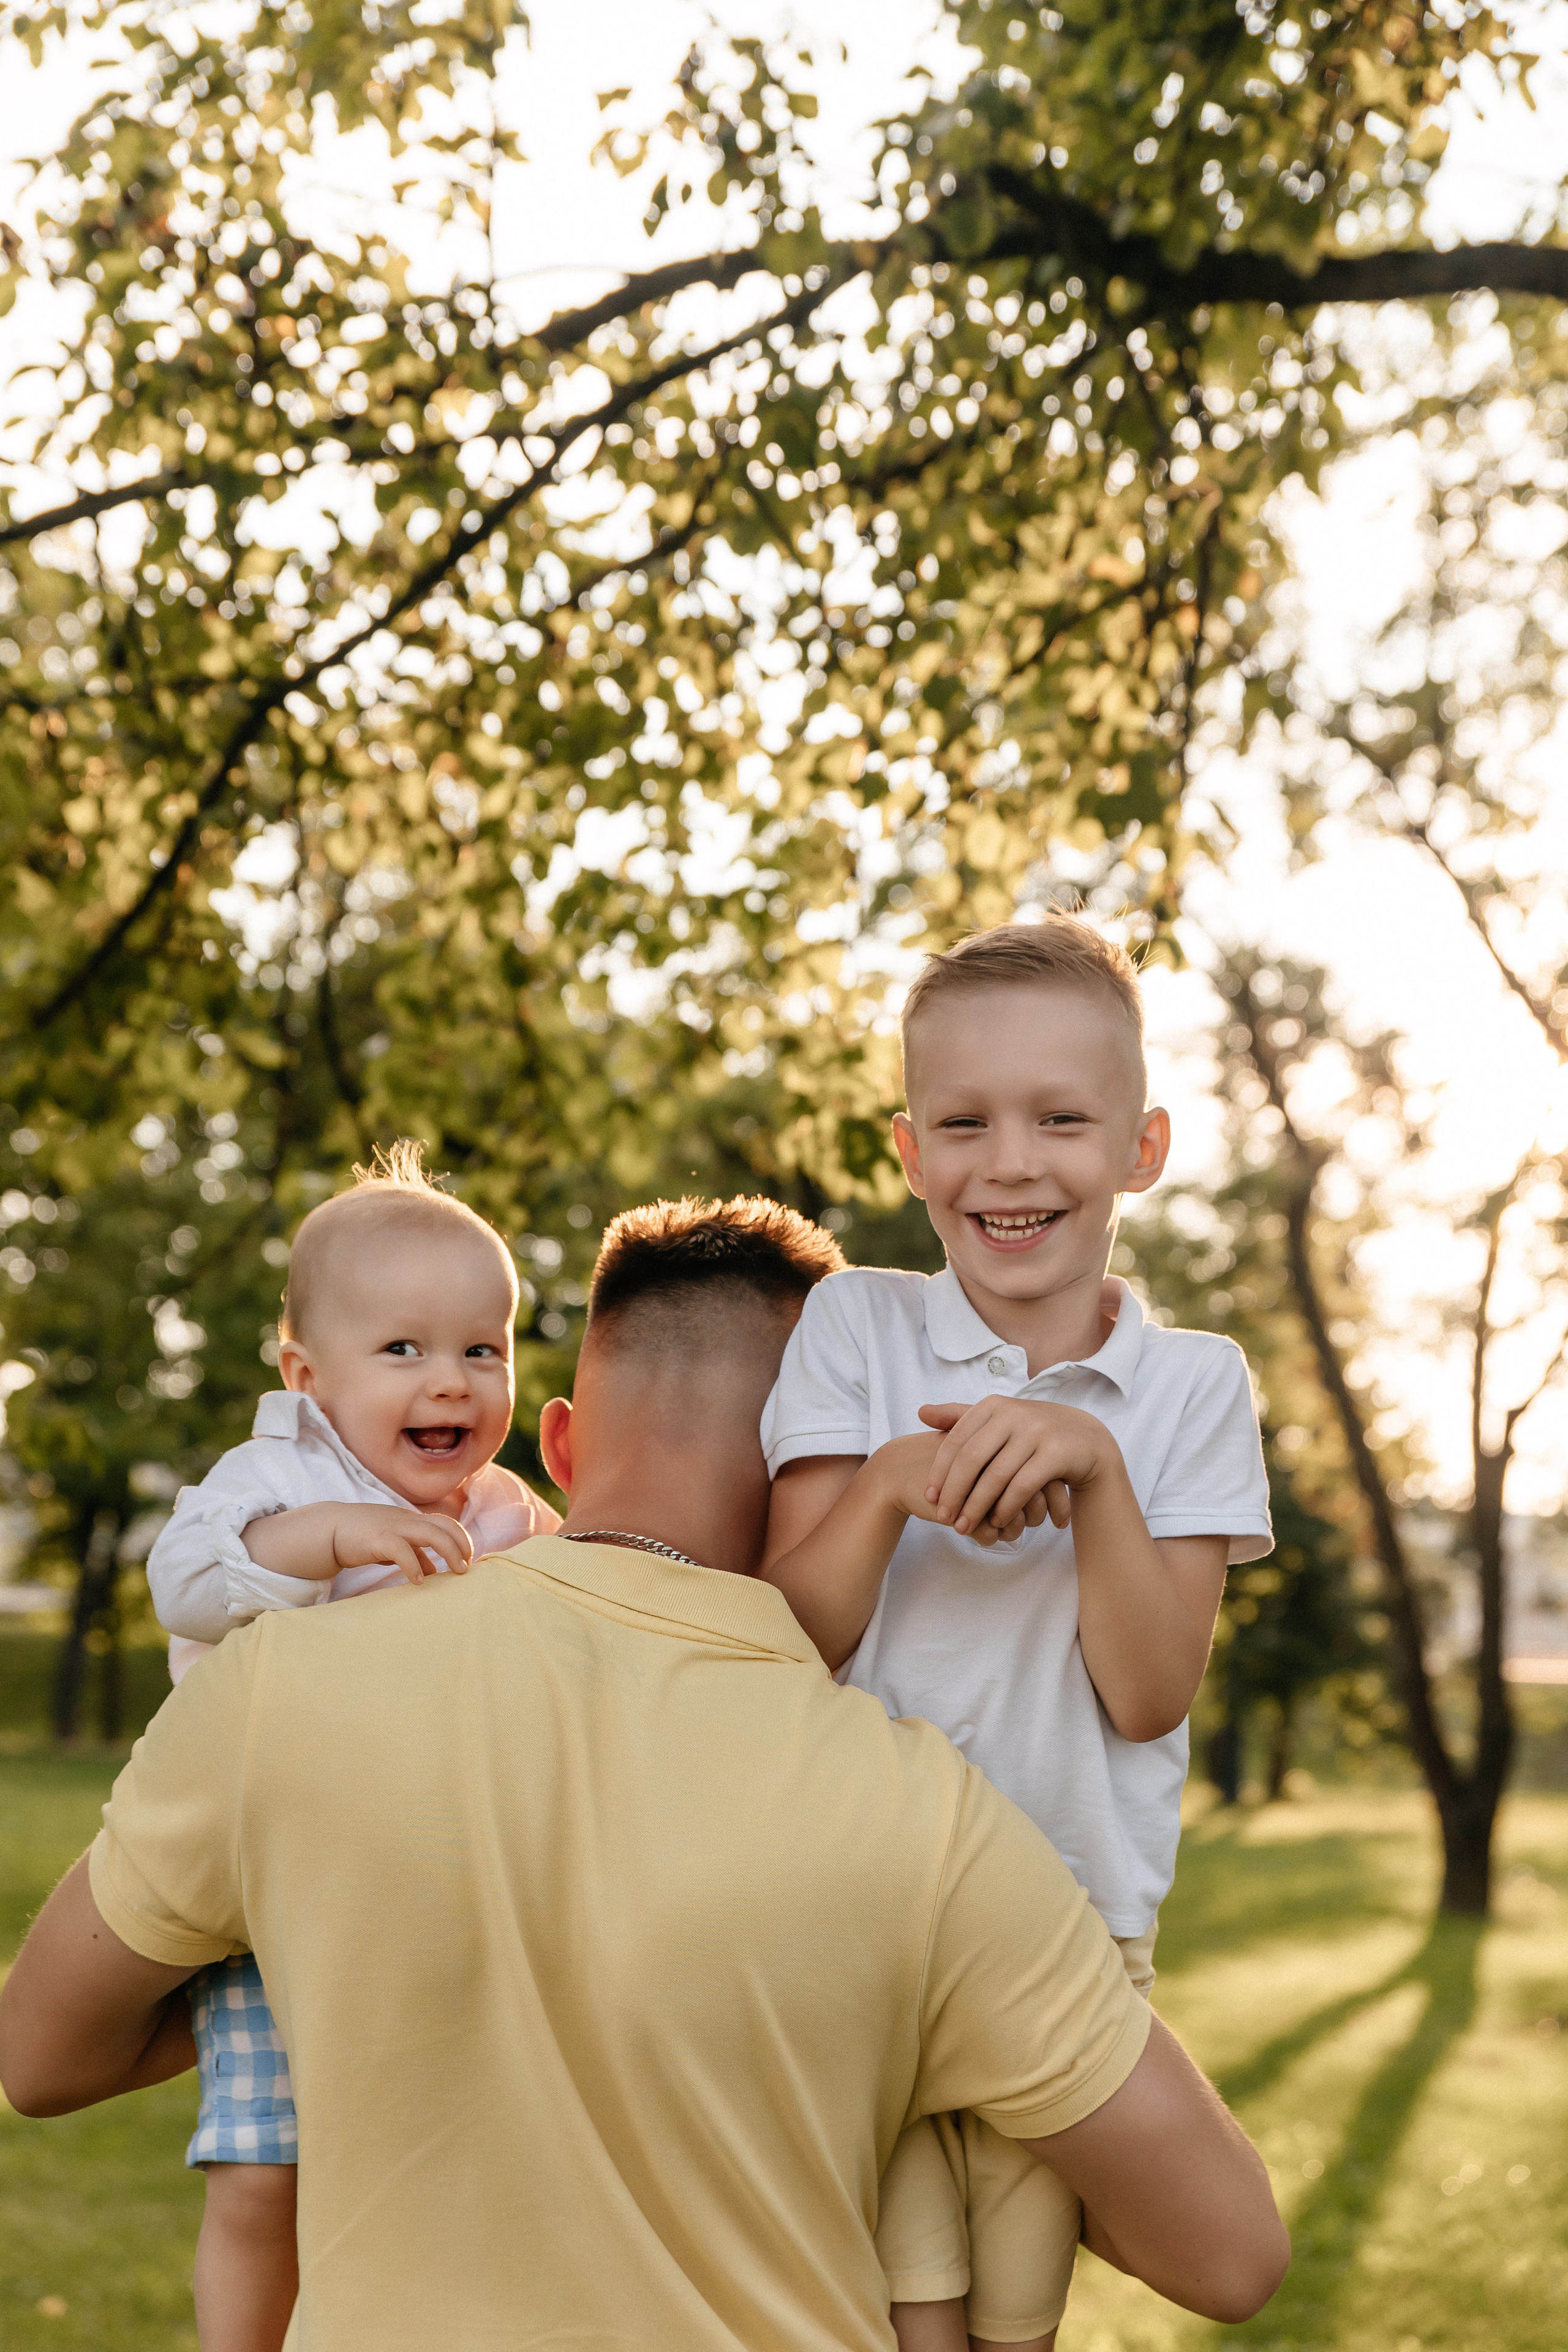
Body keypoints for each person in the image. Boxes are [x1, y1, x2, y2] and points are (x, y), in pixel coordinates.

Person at [0, 1193, 1286, 2351]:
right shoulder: (934, 1823)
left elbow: (42, 2060)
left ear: (558, 1443)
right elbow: (1229, 2258)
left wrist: (337, 1957)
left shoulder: (276, 1688)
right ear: (813, 1459)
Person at [761, 918, 1275, 2351]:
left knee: (1013, 2320)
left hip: (1069, 1919)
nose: (1009, 1163)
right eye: (962, 1123)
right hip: (858, 1917)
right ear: (907, 1152)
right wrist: (885, 1486)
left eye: (1060, 1119)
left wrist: (1095, 1474)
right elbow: (783, 1645)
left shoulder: (1191, 1387)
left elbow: (1148, 1694)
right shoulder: (853, 1327)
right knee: (900, 2313)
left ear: (1140, 1147)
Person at [145, 1142, 558, 2352]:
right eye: (404, 1350)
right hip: (272, 1888)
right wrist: (321, 1537)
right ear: (305, 1374)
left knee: (424, 2171)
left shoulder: (506, 1513)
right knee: (262, 2170)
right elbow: (182, 1582)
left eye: (482, 1350)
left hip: (432, 1892)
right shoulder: (275, 1475)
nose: (452, 1383)